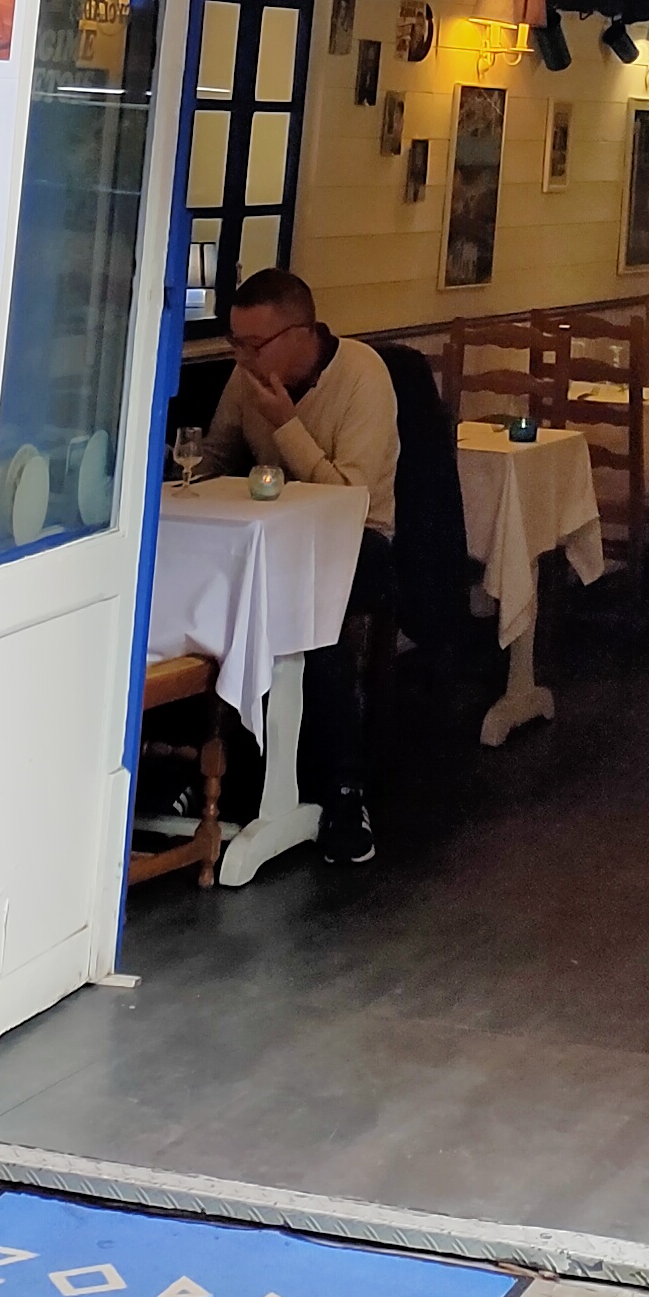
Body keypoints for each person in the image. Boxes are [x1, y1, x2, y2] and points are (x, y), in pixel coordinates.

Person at [198, 266, 400, 870]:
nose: (242, 357)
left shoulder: (362, 375)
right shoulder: (247, 376)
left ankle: (343, 791)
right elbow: (216, 456)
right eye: (235, 343)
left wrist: (286, 424)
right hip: (271, 538)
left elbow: (351, 499)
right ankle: (215, 771)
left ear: (300, 334)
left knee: (318, 614)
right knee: (202, 597)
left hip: (358, 540)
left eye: (253, 345)